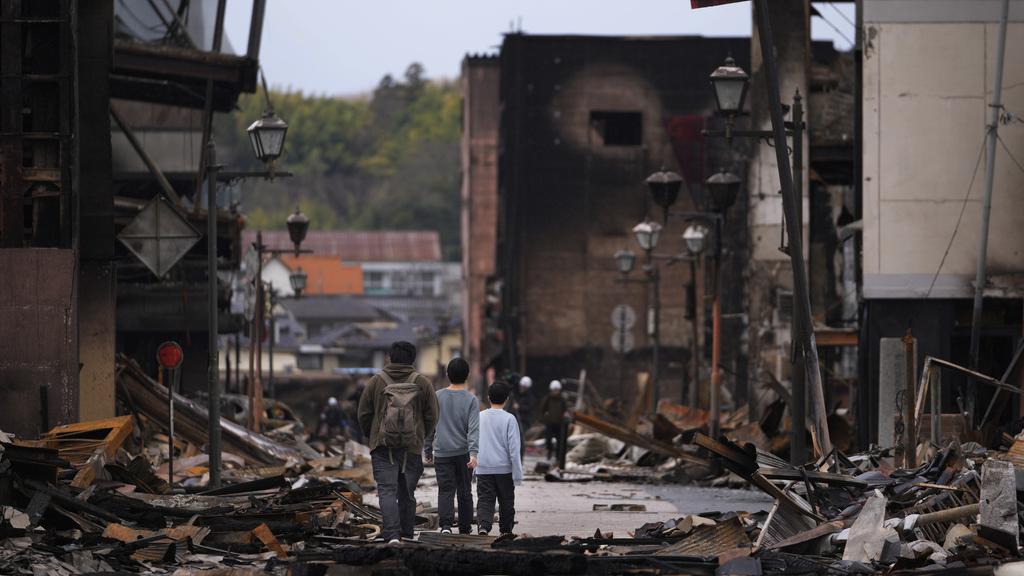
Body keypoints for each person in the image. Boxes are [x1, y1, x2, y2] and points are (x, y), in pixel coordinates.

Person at [358, 341, 439, 544]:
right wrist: (420, 436)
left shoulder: (376, 381)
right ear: (413, 359)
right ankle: (407, 534)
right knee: (407, 493)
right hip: (412, 447)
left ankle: (392, 535)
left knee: (386, 491)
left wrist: (373, 436)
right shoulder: (423, 383)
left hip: (383, 447)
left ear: (390, 358)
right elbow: (433, 416)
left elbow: (363, 414)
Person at [424, 358, 480, 534]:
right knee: (465, 491)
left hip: (442, 452)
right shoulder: (471, 400)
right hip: (464, 453)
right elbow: (473, 429)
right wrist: (474, 453)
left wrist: (428, 448)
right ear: (467, 376)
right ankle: (464, 527)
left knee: (445, 490)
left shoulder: (437, 396)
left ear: (447, 375)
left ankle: (446, 526)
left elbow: (430, 425)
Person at [475, 382, 523, 536]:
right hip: (504, 469)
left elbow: (472, 441)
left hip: (483, 467)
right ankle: (506, 529)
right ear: (507, 399)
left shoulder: (479, 417)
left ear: (488, 397)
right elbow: (514, 449)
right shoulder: (510, 419)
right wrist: (517, 474)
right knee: (506, 500)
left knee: (485, 500)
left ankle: (483, 525)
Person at [539, 380, 568, 461]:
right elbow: (542, 409)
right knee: (548, 439)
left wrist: (564, 415)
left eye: (557, 390)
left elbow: (565, 409)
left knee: (559, 440)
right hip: (549, 422)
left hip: (559, 423)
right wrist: (544, 418)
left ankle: (558, 457)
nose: (555, 392)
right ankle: (549, 452)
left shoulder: (562, 399)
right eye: (554, 390)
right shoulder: (547, 399)